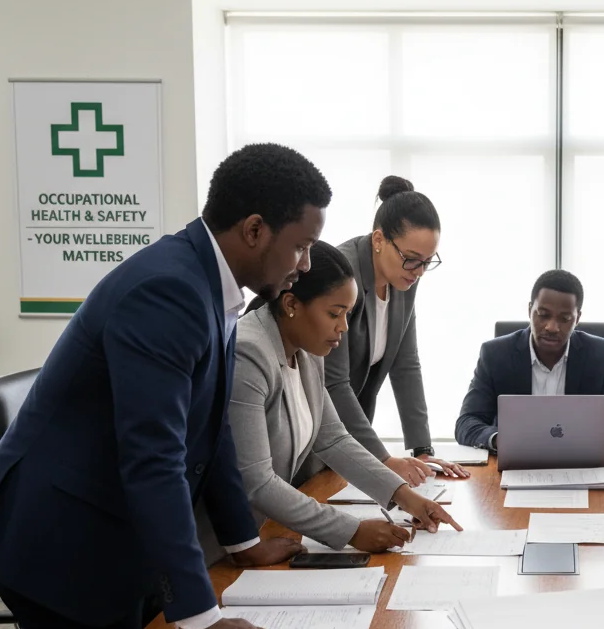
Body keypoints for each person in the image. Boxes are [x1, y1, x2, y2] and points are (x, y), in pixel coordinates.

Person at [0, 143, 329, 629]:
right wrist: (200, 618)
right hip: (61, 545)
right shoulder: (169, 290)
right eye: (300, 246)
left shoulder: (213, 284)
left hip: (111, 529)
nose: (304, 265)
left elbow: (209, 429)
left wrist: (244, 541)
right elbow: (154, 458)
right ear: (254, 230)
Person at [197, 241, 463, 565]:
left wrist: (405, 497)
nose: (344, 328)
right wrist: (352, 531)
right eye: (334, 314)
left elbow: (332, 437)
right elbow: (256, 481)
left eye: (348, 315)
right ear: (292, 304)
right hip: (212, 551)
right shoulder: (248, 353)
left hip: (258, 540)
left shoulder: (307, 349)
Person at [327, 176, 467, 486]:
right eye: (411, 260)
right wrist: (384, 460)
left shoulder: (403, 280)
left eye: (427, 263)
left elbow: (406, 364)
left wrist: (423, 450)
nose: (418, 273)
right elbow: (334, 382)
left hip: (351, 434)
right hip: (317, 431)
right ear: (379, 240)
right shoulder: (341, 274)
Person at [456, 269, 604, 451]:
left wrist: (582, 442)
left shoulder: (600, 355)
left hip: (580, 464)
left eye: (564, 318)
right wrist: (499, 440)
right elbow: (467, 422)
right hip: (515, 464)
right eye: (543, 315)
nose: (552, 327)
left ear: (577, 318)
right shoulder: (495, 354)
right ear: (529, 310)